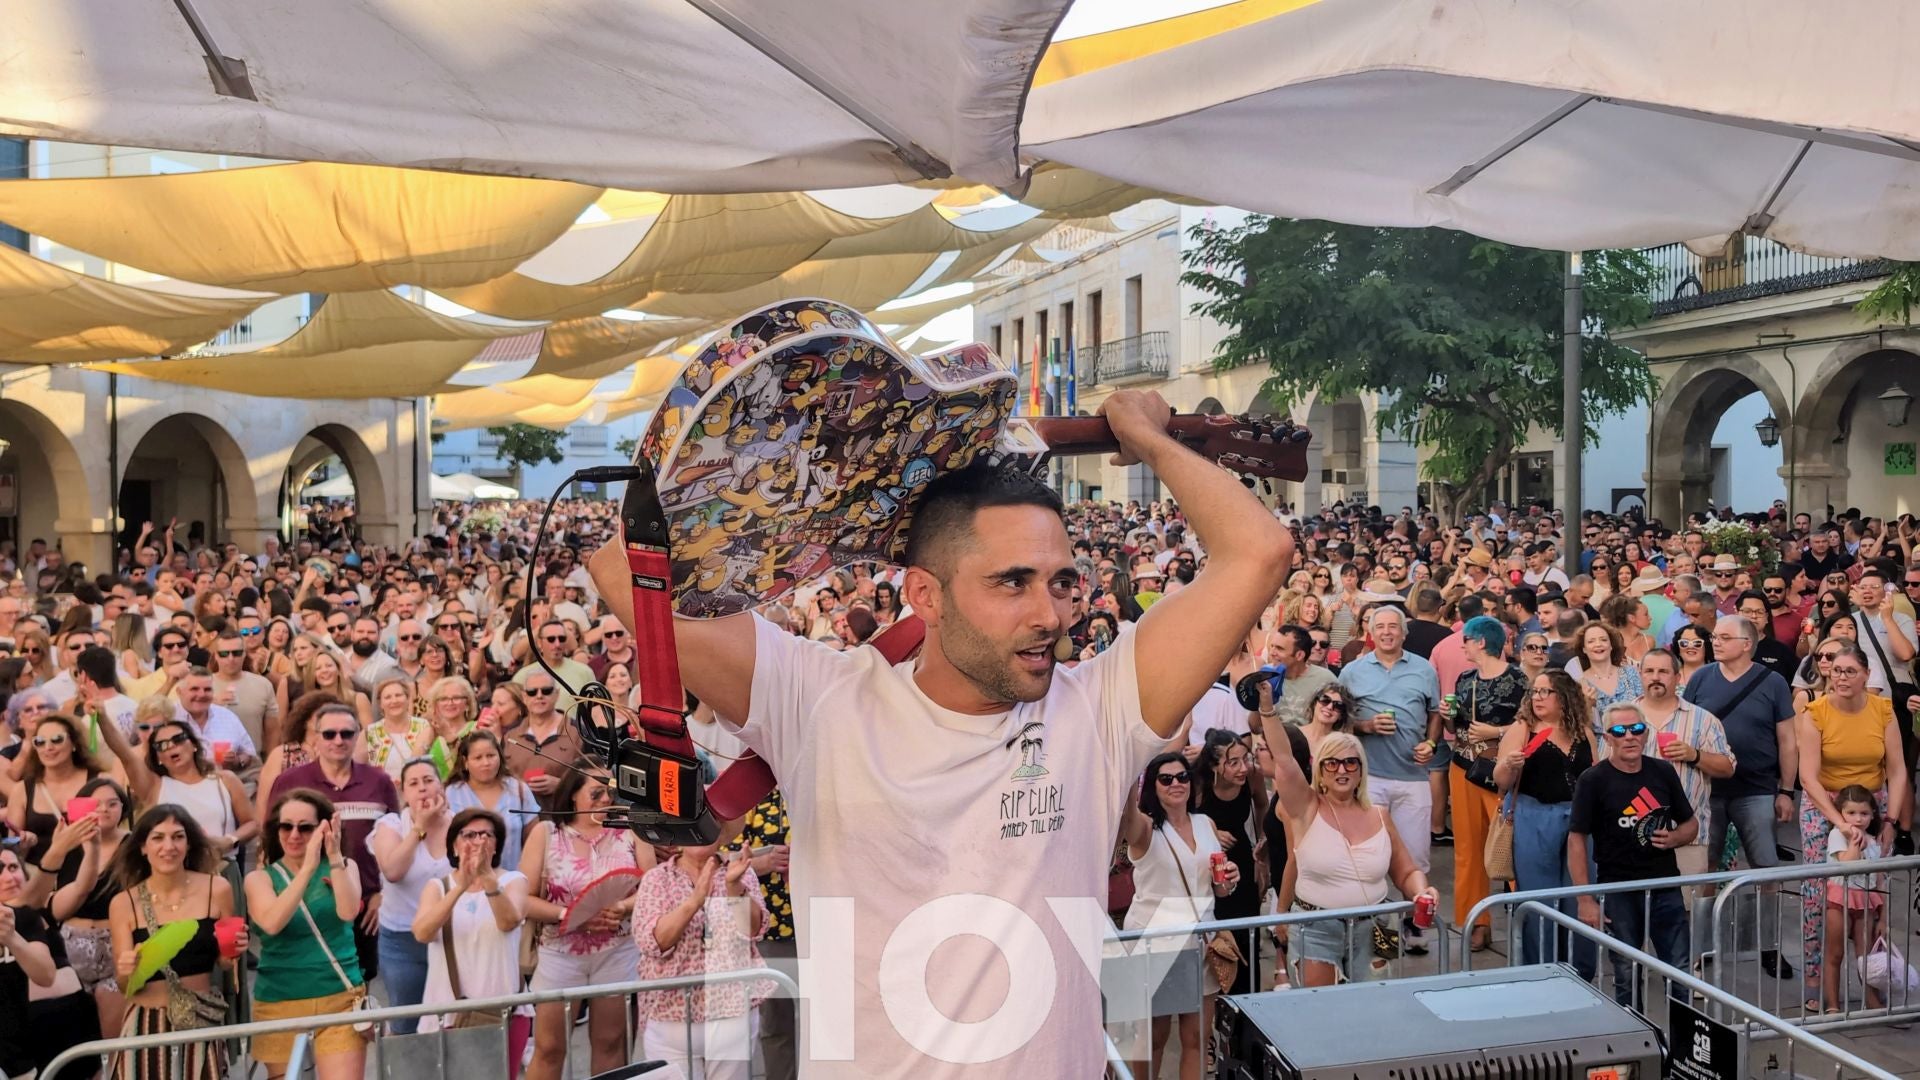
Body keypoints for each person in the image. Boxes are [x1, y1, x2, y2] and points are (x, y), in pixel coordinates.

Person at [588, 389, 1290, 1075]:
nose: (1049, 614)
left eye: (1060, 582)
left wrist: (1145, 440)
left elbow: (1258, 551)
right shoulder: (817, 702)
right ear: (924, 593)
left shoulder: (1098, 713)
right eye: (1011, 583)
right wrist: (833, 472)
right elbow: (622, 565)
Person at [1267, 731, 1437, 985]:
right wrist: (1267, 708)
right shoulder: (1306, 808)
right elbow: (1284, 760)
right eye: (1332, 763)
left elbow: (1407, 872)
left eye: (1350, 762)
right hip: (1317, 929)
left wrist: (1422, 891)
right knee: (1320, 1012)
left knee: (1377, 1007)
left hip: (1379, 926)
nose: (1341, 770)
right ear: (1320, 772)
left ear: (1361, 770)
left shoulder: (1380, 815)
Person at [1793, 642, 1908, 1014]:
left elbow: (1898, 769)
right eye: (1835, 669)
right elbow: (1807, 776)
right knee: (1820, 895)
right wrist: (1839, 821)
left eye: (1849, 671)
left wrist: (1890, 820)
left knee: (1872, 894)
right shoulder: (1815, 712)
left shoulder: (1883, 710)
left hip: (1871, 804)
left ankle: (1873, 979)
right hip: (1824, 802)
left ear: (1866, 675)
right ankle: (1817, 980)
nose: (1840, 677)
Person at [1686, 614, 1798, 979]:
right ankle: (1701, 949)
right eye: (1714, 637)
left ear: (1747, 643)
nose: (1714, 642)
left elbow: (1787, 740)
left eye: (1723, 637)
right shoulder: (1701, 677)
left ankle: (1767, 946)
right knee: (1705, 871)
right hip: (1709, 790)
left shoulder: (1774, 682)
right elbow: (1686, 725)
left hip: (1756, 789)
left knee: (1766, 870)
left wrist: (1785, 790)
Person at [520, 766, 647, 1080]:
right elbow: (523, 897)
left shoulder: (631, 830)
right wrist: (569, 915)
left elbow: (650, 885)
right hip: (560, 952)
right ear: (573, 796)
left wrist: (624, 906)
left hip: (617, 949)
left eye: (609, 792)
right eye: (596, 793)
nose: (606, 798)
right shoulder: (546, 833)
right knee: (549, 1047)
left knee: (610, 1042)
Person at [1569, 703, 1699, 1009]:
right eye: (1619, 731)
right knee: (1626, 971)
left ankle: (1684, 1047)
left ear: (1645, 734)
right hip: (1619, 889)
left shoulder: (1663, 772)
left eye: (1636, 729)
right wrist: (1585, 900)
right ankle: (1637, 1046)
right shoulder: (1593, 780)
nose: (1629, 736)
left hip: (1665, 886)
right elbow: (1576, 840)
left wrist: (1676, 837)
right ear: (1608, 738)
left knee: (1680, 970)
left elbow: (1690, 823)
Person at [1116, 752, 1234, 1080]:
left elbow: (1218, 889)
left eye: (1182, 776)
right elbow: (1128, 816)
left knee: (1197, 1036)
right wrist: (1130, 763)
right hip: (1157, 942)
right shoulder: (1145, 829)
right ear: (1152, 786)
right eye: (1165, 779)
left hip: (1202, 941)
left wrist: (1230, 879)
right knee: (1154, 1039)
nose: (1176, 784)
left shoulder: (1205, 823)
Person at [108, 805, 246, 1080]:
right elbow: (126, 987)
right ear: (143, 847)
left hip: (200, 1019)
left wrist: (233, 952)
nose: (168, 846)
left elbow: (223, 962)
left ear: (189, 843)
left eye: (177, 836)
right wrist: (127, 969)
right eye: (158, 838)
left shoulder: (217, 889)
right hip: (146, 1023)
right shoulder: (125, 903)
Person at [268, 703, 400, 984]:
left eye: (346, 733)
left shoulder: (379, 781)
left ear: (357, 736)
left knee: (358, 984)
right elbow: (272, 842)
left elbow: (396, 843)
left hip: (365, 905)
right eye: (329, 734)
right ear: (314, 738)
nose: (338, 741)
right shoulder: (290, 781)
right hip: (308, 904)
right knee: (307, 980)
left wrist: (384, 894)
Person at [1339, 605, 1442, 952]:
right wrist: (1365, 726)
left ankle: (1415, 926)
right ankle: (1380, 932)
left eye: (1393, 627)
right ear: (1370, 632)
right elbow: (1337, 719)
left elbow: (1434, 715)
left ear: (1404, 632)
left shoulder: (1424, 668)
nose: (1386, 632)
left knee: (1415, 856)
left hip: (1413, 777)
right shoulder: (1352, 671)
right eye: (1379, 627)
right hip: (1369, 780)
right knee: (1372, 858)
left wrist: (1430, 742)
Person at [245, 789, 367, 1080]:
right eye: (286, 826)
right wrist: (306, 869)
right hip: (280, 1001)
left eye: (305, 827)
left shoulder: (345, 866)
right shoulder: (259, 878)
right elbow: (272, 923)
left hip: (338, 997)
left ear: (323, 829)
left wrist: (334, 857)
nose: (294, 834)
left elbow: (348, 911)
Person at [634, 841, 773, 1080]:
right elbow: (653, 942)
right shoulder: (657, 878)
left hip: (732, 1011)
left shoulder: (740, 870)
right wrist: (694, 902)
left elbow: (753, 930)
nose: (698, 835)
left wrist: (734, 887)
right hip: (670, 1016)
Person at [1492, 669, 1597, 976]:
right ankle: (1541, 971)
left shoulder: (1582, 731)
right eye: (1534, 692)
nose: (1537, 698)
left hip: (1578, 820)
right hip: (1533, 817)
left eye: (1545, 692)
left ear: (1564, 697)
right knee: (1541, 899)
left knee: (1580, 894)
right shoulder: (1522, 729)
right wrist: (1509, 765)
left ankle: (1580, 971)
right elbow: (1500, 782)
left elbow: (1594, 774)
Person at [413, 809, 532, 1071]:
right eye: (469, 835)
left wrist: (487, 878)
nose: (478, 841)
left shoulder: (514, 881)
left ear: (497, 844)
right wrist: (460, 888)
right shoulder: (437, 887)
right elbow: (422, 933)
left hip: (503, 1011)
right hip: (447, 1014)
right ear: (454, 845)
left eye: (486, 835)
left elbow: (508, 921)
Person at [1444, 616, 1526, 952]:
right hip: (1464, 767)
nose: (1462, 644)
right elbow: (1456, 724)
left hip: (1502, 770)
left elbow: (1531, 723)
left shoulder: (1519, 679)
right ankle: (1475, 922)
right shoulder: (1465, 678)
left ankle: (1527, 917)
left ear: (1481, 642)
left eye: (1466, 639)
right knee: (1467, 851)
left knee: (1510, 846)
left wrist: (1497, 732)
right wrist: (1448, 714)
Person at [370, 757, 452, 1034]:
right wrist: (421, 827)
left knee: (454, 1019)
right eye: (414, 783)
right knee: (407, 1021)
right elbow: (393, 871)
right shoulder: (391, 825)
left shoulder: (462, 823)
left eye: (429, 780)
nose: (423, 789)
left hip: (452, 935)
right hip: (403, 940)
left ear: (441, 785)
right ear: (403, 792)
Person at [1635, 649, 1736, 876]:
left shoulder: (1703, 719)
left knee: (1685, 909)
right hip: (1630, 836)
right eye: (1649, 671)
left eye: (1663, 671)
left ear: (1677, 677)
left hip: (1688, 837)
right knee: (1632, 910)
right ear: (1639, 674)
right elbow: (1601, 768)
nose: (1655, 677)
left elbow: (1728, 767)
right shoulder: (1623, 717)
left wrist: (1695, 755)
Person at [1190, 728, 1262, 996]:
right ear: (1215, 765)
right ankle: (1215, 999)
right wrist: (1210, 831)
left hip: (1241, 857)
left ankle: (1248, 1001)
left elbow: (1262, 806)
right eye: (1233, 763)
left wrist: (1262, 848)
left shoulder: (1251, 777)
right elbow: (1182, 820)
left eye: (1245, 759)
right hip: (1208, 863)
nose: (1243, 768)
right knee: (1216, 933)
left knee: (1247, 932)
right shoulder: (1199, 784)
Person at [1819, 784, 1888, 1014]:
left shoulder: (1874, 842)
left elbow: (1880, 882)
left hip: (1865, 901)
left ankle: (1873, 1002)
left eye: (1864, 813)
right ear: (1841, 813)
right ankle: (1832, 1006)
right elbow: (1848, 862)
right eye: (1851, 813)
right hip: (1839, 899)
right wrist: (1854, 841)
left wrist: (1883, 918)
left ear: (1873, 815)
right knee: (1835, 953)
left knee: (1865, 956)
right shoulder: (1837, 835)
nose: (1858, 819)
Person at [7, 713, 107, 859]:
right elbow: (12, 851)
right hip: (41, 876)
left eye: (57, 740)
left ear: (74, 743)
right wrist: (23, 843)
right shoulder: (22, 790)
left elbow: (112, 833)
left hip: (91, 874)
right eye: (40, 741)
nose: (48, 747)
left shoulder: (100, 782)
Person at [443, 730, 540, 870]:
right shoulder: (451, 794)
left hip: (512, 881)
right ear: (465, 762)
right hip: (466, 882)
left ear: (499, 757)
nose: (486, 762)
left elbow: (535, 840)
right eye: (478, 758)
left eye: (491, 756)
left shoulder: (518, 790)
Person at [366, 675, 431, 782]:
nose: (394, 701)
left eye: (398, 695)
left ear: (407, 699)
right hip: (383, 795)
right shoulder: (370, 732)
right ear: (380, 704)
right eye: (388, 697)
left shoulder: (424, 726)